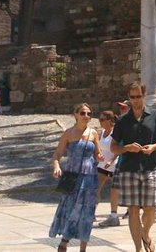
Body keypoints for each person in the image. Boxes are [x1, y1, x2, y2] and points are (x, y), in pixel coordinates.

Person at [111, 82, 156, 252]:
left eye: (138, 96)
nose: (135, 100)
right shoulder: (122, 120)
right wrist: (126, 148)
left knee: (151, 209)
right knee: (133, 209)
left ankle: (145, 234)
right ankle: (138, 248)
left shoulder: (155, 116)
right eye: (132, 97)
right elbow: (113, 147)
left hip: (150, 167)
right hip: (128, 169)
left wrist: (153, 147)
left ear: (144, 95)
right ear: (128, 97)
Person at [49, 103, 102, 252]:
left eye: (89, 114)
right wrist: (57, 166)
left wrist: (100, 157)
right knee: (71, 208)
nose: (86, 116)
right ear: (76, 114)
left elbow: (97, 154)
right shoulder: (68, 133)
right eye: (83, 113)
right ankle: (65, 240)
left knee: (87, 211)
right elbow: (57, 154)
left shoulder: (93, 133)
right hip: (72, 175)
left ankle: (82, 248)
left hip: (89, 176)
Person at [96, 110, 122, 228]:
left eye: (102, 119)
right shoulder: (101, 133)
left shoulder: (115, 133)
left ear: (109, 120)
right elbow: (99, 148)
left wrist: (111, 161)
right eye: (99, 119)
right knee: (95, 189)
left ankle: (115, 215)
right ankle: (91, 212)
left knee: (117, 190)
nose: (100, 122)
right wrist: (98, 155)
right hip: (102, 165)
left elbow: (118, 149)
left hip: (113, 166)